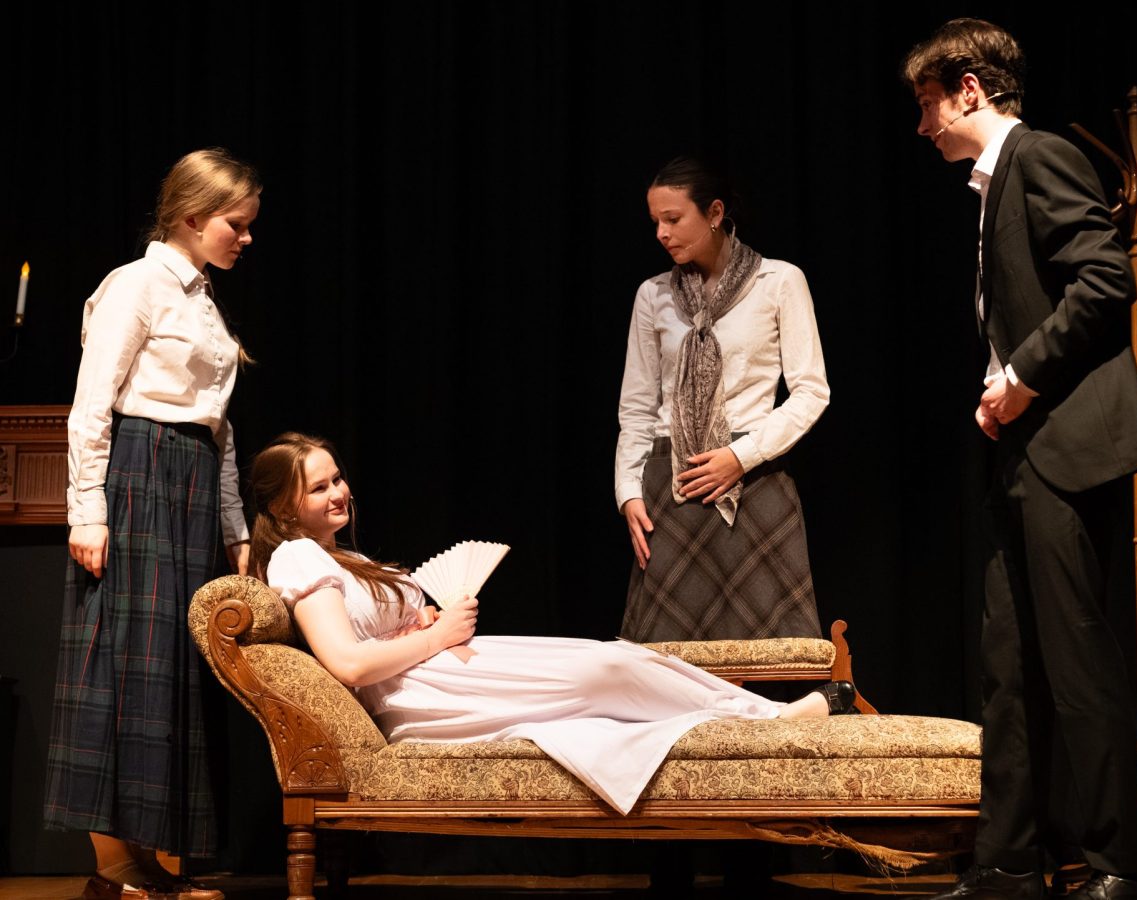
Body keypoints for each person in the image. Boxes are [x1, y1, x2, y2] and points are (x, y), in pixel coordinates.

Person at [248, 432, 858, 817]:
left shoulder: (342, 556)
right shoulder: (297, 558)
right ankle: (770, 718)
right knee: (610, 671)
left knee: (615, 660)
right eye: (318, 488)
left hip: (435, 669)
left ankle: (768, 718)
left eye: (337, 479)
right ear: (282, 507)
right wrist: (433, 636)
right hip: (422, 696)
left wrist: (419, 627)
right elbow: (348, 664)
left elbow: (374, 636)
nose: (339, 494)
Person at [902, 19, 1137, 900]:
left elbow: (1105, 277)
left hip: (1061, 444)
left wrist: (1018, 378)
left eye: (929, 102)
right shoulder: (991, 186)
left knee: (1075, 656)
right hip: (1020, 450)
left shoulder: (1040, 155)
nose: (923, 123)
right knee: (1010, 663)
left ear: (970, 87)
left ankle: (1124, 864)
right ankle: (1009, 861)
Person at [45, 148, 261, 900]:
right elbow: (90, 407)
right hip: (138, 475)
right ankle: (116, 869)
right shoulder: (135, 286)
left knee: (172, 669)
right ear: (194, 218)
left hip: (191, 482)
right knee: (127, 665)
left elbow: (219, 428)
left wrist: (235, 525)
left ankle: (165, 863)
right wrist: (87, 512)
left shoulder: (203, 300)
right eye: (237, 223)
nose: (246, 237)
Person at [615, 157, 830, 643]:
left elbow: (812, 391)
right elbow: (638, 405)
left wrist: (741, 455)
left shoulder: (778, 281)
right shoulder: (653, 295)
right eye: (655, 222)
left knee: (769, 651)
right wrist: (628, 489)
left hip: (752, 478)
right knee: (665, 655)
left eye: (673, 219)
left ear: (714, 213)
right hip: (674, 482)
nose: (662, 234)